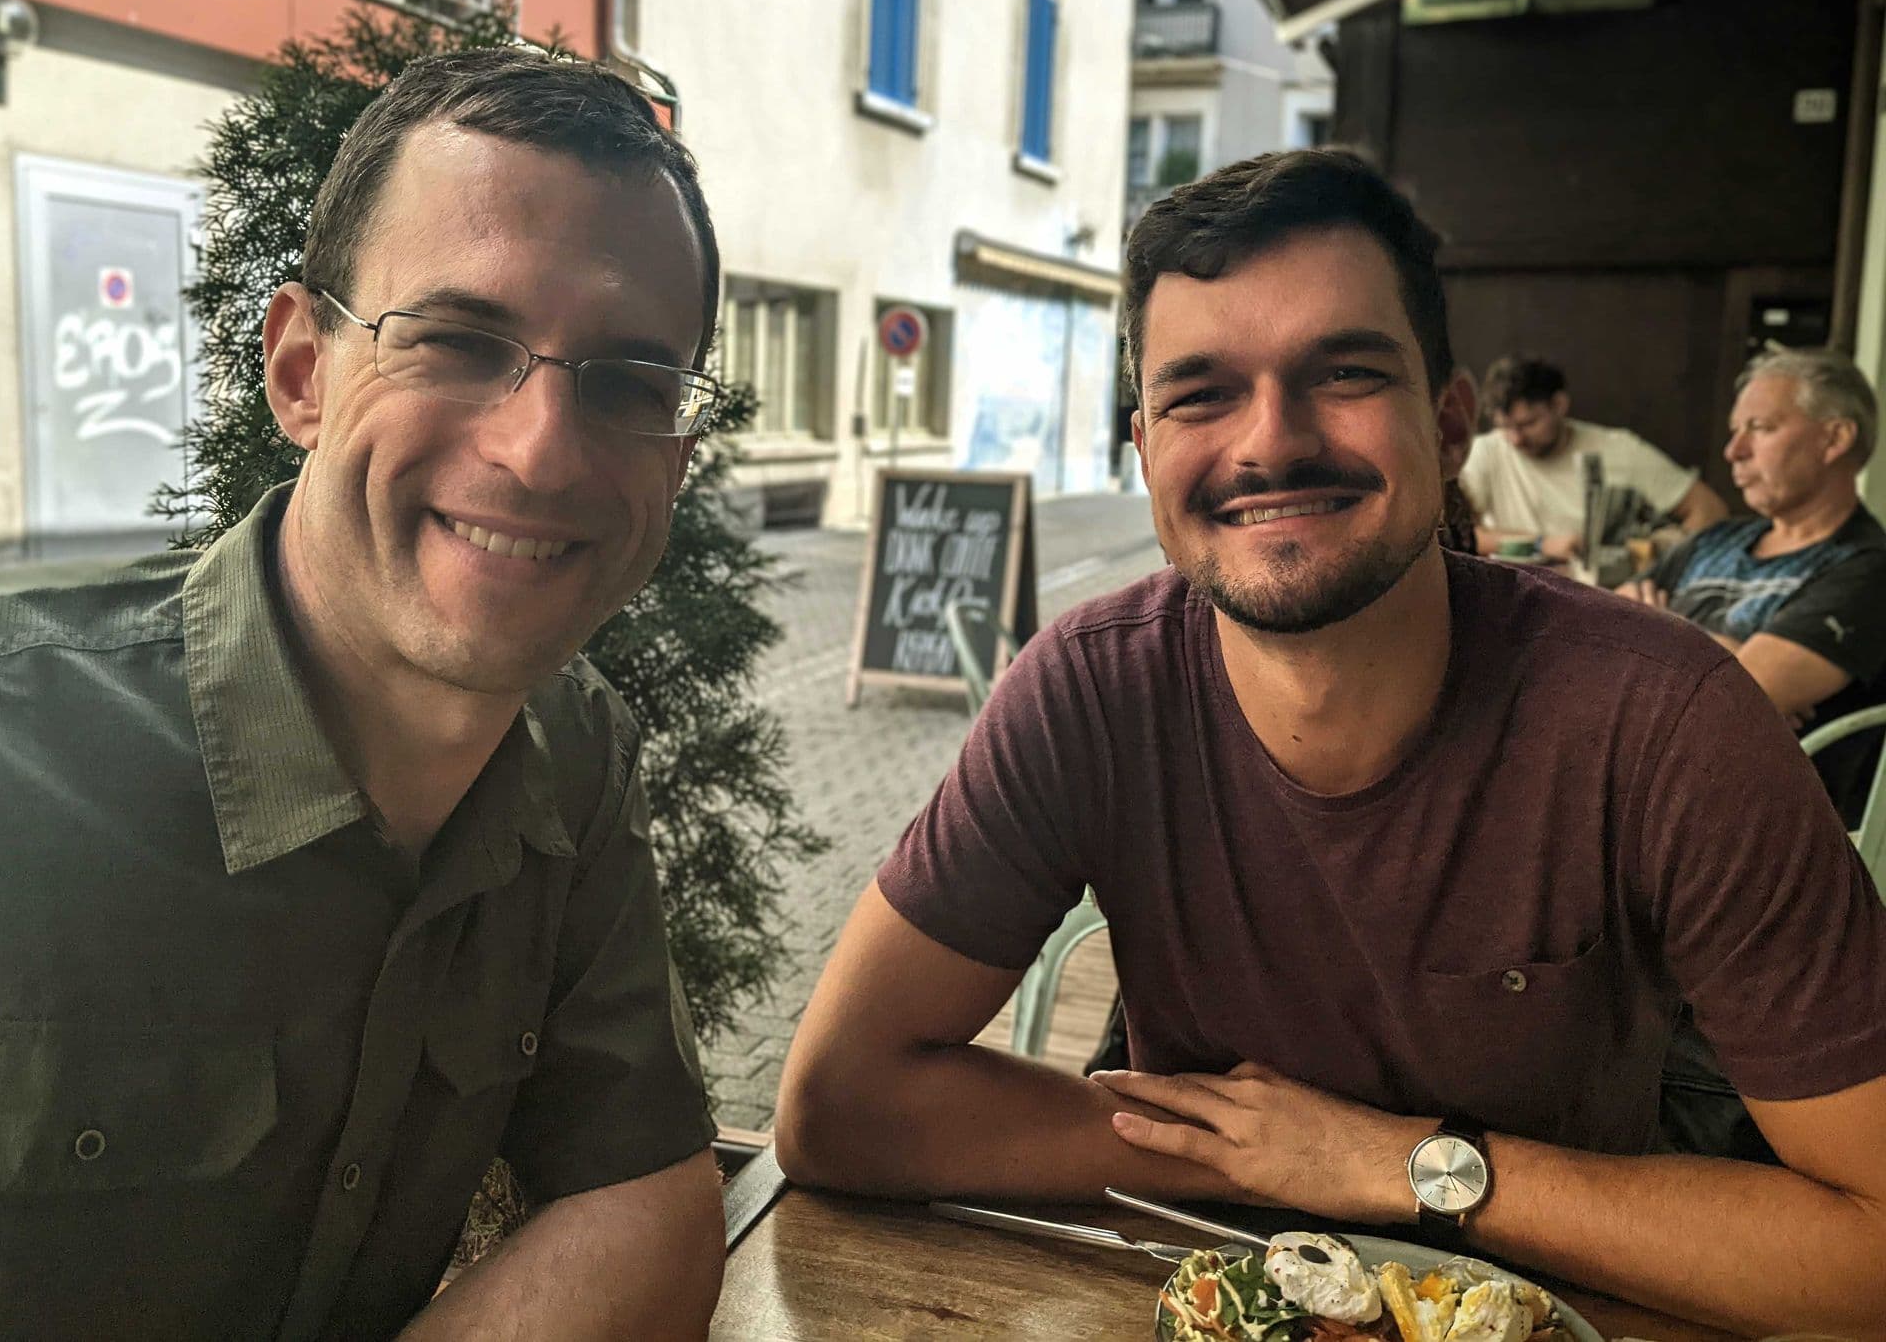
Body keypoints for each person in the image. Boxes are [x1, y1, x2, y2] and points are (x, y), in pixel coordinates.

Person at [775, 149, 1886, 1337]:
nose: (1269, 442)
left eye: (1342, 371)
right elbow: (840, 1104)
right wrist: (1248, 1157)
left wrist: (1403, 1165)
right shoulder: (1093, 691)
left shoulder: (1665, 722)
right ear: (1142, 448)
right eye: (1199, 392)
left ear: (1448, 423)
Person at [0, 49, 725, 1340]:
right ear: (299, 371)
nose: (541, 445)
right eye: (457, 338)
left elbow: (647, 1194)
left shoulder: (573, 755)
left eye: (628, 381)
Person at [1620, 347, 1886, 827]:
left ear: (1835, 439)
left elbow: (1727, 703)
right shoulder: (1716, 538)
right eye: (1735, 432)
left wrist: (1659, 625)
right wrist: (1719, 657)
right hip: (1655, 793)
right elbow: (1597, 638)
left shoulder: (1868, 569)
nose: (1733, 451)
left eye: (1759, 429)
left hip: (1761, 829)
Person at [1460, 355, 1726, 560]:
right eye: (1505, 427)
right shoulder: (1485, 452)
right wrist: (1543, 543)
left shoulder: (1618, 449)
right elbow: (1458, 537)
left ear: (1559, 405)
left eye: (1528, 423)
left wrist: (1656, 557)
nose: (1516, 439)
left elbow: (1709, 509)